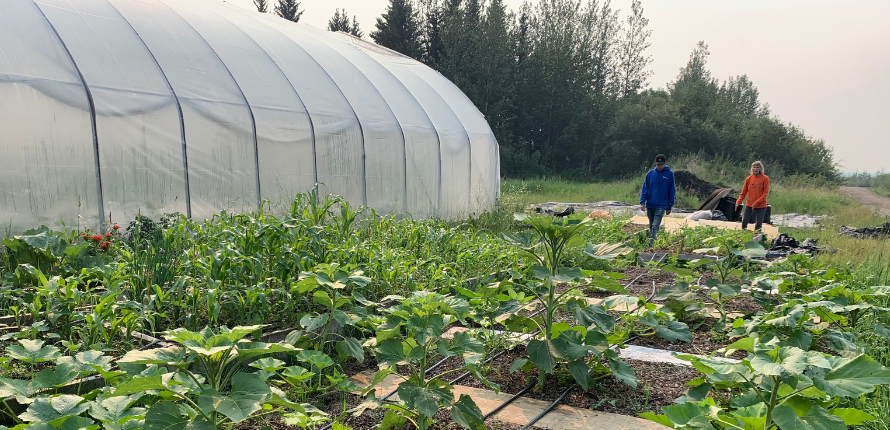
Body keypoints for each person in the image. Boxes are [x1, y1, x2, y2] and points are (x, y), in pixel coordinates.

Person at [639, 154, 675, 244]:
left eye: (661, 164)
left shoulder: (669, 174)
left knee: (655, 225)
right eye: (658, 164)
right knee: (651, 225)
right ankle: (654, 241)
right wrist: (642, 202)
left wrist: (670, 205)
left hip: (662, 205)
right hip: (650, 204)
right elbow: (645, 188)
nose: (659, 166)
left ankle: (651, 245)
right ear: (655, 163)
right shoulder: (650, 174)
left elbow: (672, 190)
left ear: (664, 164)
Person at [736, 161, 770, 231]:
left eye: (757, 167)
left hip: (761, 205)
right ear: (752, 169)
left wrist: (756, 203)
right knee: (744, 221)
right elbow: (744, 192)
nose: (756, 169)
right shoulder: (749, 179)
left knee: (758, 224)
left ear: (760, 168)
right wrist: (738, 201)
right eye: (754, 167)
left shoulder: (765, 178)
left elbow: (765, 193)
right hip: (750, 204)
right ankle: (743, 235)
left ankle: (757, 238)